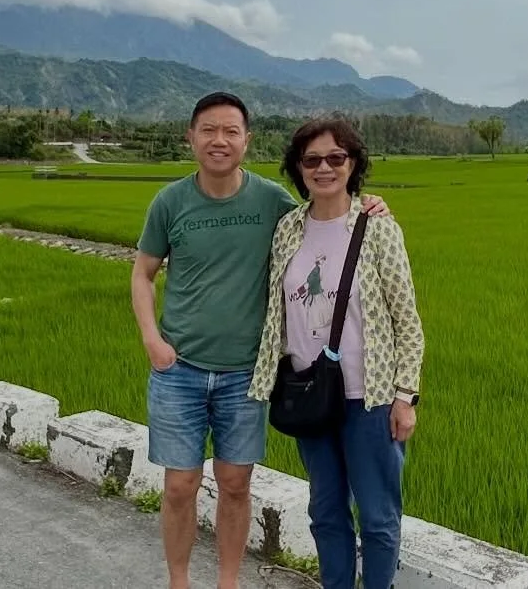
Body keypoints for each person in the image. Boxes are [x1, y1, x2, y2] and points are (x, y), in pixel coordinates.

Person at [130, 92, 390, 589]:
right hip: (178, 369)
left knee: (234, 483)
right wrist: (151, 339)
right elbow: (143, 273)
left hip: (247, 375)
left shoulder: (272, 202)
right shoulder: (170, 202)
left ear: (247, 140)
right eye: (209, 130)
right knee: (180, 485)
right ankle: (179, 581)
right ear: (191, 137)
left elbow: (325, 216)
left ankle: (228, 582)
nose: (219, 141)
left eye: (231, 131)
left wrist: (369, 205)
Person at [249, 115, 425, 589]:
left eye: (335, 157)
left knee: (378, 517)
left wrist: (406, 396)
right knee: (325, 511)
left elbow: (406, 318)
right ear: (298, 168)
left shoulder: (377, 228)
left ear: (353, 163)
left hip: (369, 398)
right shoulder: (287, 228)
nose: (323, 167)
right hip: (310, 395)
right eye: (312, 160)